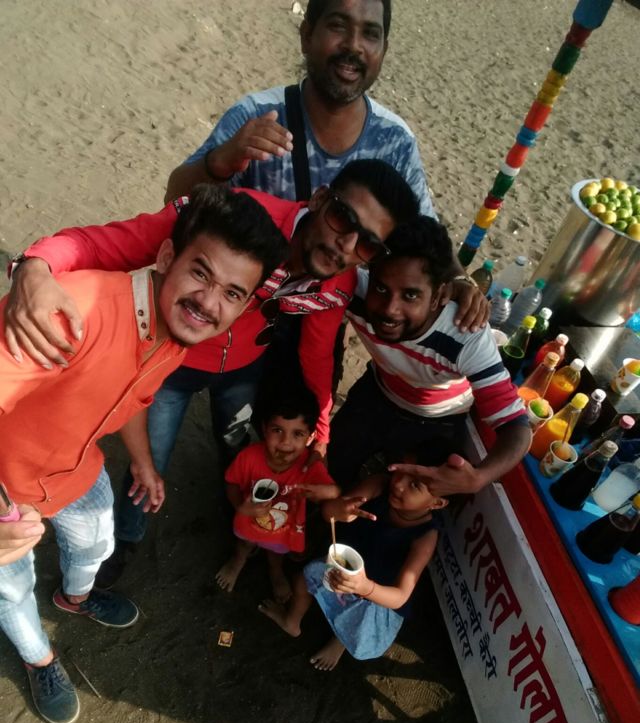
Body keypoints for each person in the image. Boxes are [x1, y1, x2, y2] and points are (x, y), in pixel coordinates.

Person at [5, 164, 486, 587]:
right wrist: (35, 267)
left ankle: (239, 514)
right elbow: (110, 241)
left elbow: (318, 355)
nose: (346, 246)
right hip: (171, 363)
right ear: (320, 199)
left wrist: (321, 432)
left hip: (240, 370)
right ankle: (126, 541)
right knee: (149, 459)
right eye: (343, 219)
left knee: (236, 446)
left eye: (367, 244)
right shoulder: (236, 218)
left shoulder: (337, 283)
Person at [0, 185, 287, 723]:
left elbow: (130, 395)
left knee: (96, 543)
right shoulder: (74, 312)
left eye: (232, 292)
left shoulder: (175, 334)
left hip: (76, 470)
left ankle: (74, 599)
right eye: (200, 273)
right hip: (7, 496)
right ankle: (40, 659)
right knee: (11, 591)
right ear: (165, 256)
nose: (209, 303)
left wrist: (143, 462)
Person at [165, 0, 435, 218]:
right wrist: (221, 162)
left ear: (384, 50)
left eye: (370, 34)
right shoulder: (256, 116)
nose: (354, 45)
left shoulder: (396, 142)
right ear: (306, 36)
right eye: (338, 26)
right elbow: (173, 204)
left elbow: (425, 245)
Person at [326, 216, 532, 493]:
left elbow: (517, 427)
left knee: (400, 502)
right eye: (381, 288)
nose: (390, 309)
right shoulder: (356, 293)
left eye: (410, 295)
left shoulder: (466, 335)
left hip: (436, 421)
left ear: (439, 296)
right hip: (376, 391)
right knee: (330, 470)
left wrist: (479, 478)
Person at [259, 446, 446, 670]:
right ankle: (292, 622)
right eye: (401, 471)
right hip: (342, 566)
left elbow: (400, 597)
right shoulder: (378, 485)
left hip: (377, 595)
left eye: (414, 485)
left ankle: (340, 641)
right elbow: (329, 512)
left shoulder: (425, 537)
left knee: (357, 627)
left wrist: (365, 587)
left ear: (437, 503)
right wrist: (338, 509)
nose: (398, 484)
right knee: (301, 581)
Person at [219, 384, 339, 603]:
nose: (285, 442)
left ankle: (275, 571)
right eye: (277, 430)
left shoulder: (309, 467)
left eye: (297, 434)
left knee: (276, 553)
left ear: (310, 438)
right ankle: (238, 561)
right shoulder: (248, 457)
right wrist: (240, 508)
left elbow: (334, 492)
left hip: (283, 531)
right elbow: (231, 483)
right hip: (248, 520)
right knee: (244, 544)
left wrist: (324, 490)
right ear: (264, 429)